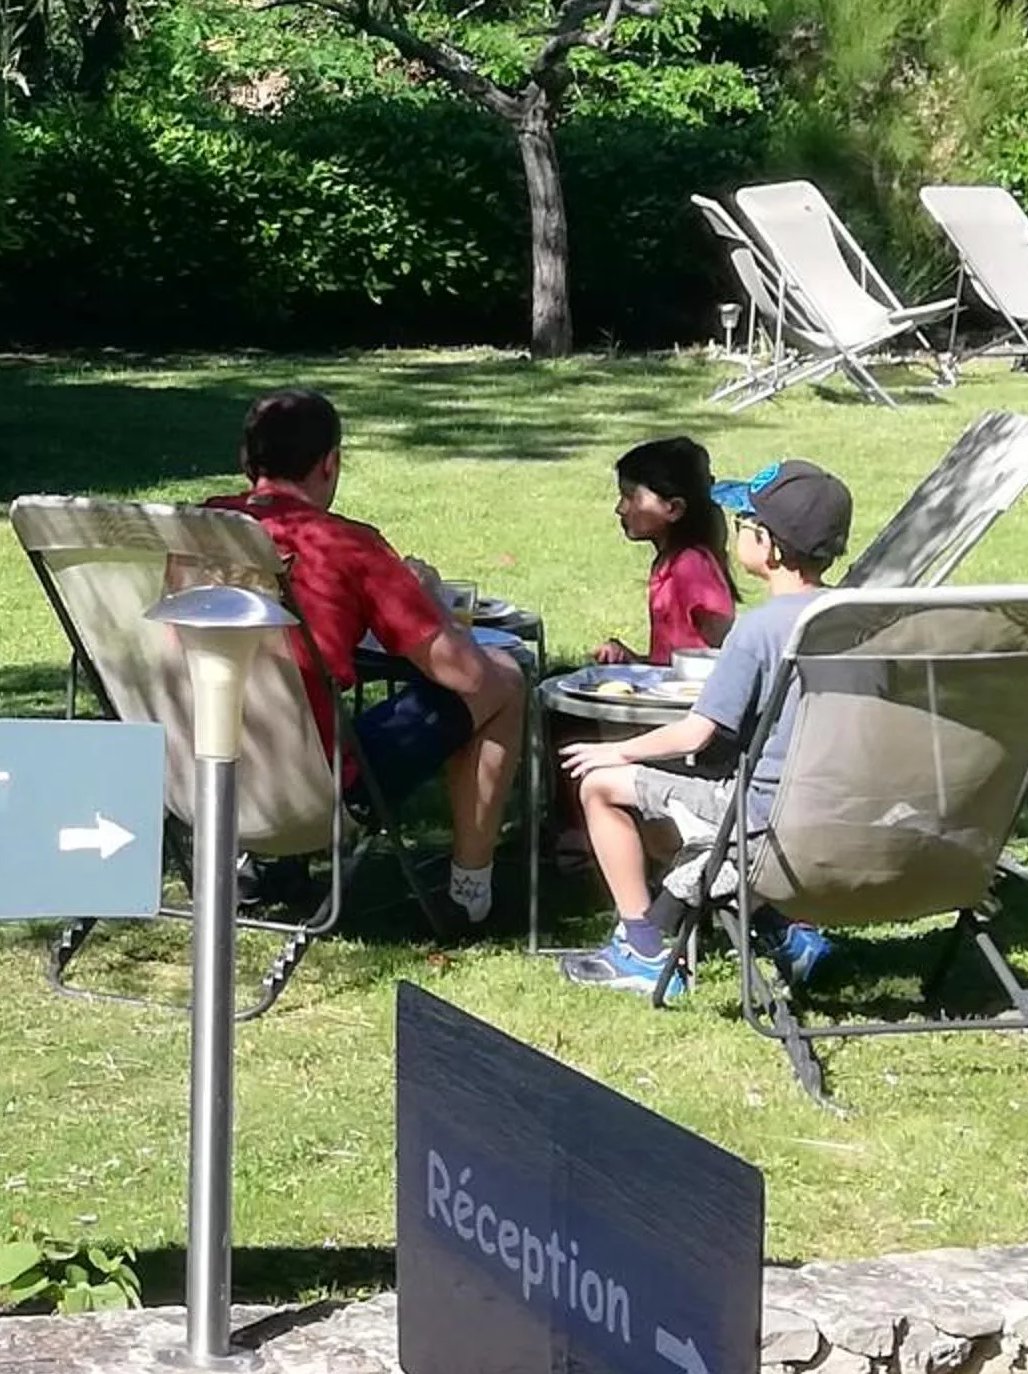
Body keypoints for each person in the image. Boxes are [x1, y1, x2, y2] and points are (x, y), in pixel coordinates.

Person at [205, 389, 525, 932]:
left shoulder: (202, 530)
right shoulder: (348, 546)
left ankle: (266, 865)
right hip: (310, 790)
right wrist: (425, 597)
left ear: (245, 460)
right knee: (506, 681)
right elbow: (464, 675)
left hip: (202, 774)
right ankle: (470, 892)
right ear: (330, 463)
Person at [558, 458, 851, 997]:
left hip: (762, 820)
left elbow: (695, 734)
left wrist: (617, 754)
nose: (733, 529)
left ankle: (644, 951)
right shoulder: (855, 619)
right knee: (677, 793)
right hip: (840, 819)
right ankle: (786, 934)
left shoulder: (761, 629)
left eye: (744, 524)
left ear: (768, 545)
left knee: (602, 787)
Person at [589, 435, 739, 666]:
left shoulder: (690, 566)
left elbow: (727, 648)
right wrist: (632, 660)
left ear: (674, 508)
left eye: (631, 497)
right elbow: (668, 665)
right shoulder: (669, 564)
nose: (620, 509)